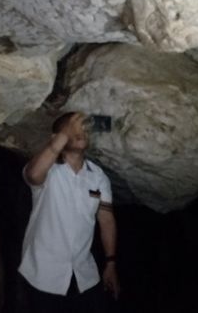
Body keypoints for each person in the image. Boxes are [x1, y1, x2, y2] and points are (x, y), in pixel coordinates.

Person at [18, 112, 120, 312]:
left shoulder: (98, 177)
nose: (80, 131)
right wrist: (63, 136)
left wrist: (110, 262)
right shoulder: (48, 171)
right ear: (57, 136)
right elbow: (33, 174)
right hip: (42, 275)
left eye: (83, 128)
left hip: (85, 275)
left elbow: (106, 220)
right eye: (72, 128)